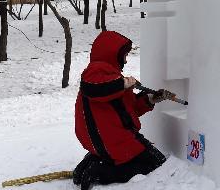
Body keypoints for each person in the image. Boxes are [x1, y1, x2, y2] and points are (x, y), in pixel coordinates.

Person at [73, 31, 174, 189]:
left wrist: (149, 99)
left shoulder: (112, 77)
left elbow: (128, 109)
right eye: (125, 55)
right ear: (113, 53)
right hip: (112, 139)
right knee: (154, 162)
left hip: (109, 138)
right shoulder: (96, 70)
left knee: (146, 158)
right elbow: (92, 88)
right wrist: (122, 84)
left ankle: (89, 165)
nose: (126, 60)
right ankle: (98, 172)